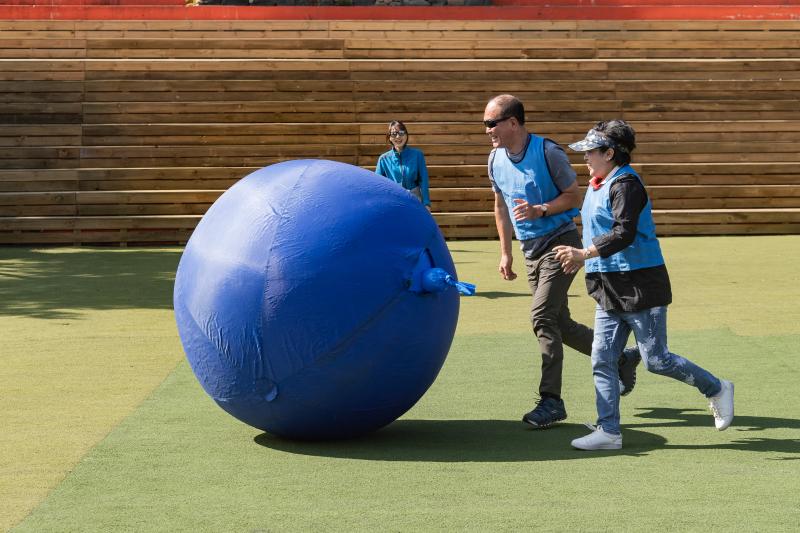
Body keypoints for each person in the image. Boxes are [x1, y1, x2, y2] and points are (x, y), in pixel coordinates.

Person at [554, 119, 734, 450]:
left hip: (640, 286)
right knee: (602, 359)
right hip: (607, 288)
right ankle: (609, 431)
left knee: (658, 361)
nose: (586, 157)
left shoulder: (626, 185)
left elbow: (624, 232)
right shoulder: (597, 183)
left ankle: (717, 389)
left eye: (591, 151)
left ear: (609, 153)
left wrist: (583, 253)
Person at [484, 94, 639, 429]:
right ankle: (621, 360)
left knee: (541, 316)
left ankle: (551, 401)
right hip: (529, 251)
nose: (488, 130)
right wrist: (506, 251)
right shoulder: (494, 158)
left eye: (492, 123)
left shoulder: (547, 152)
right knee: (560, 323)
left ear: (513, 122)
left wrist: (541, 209)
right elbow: (500, 205)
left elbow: (574, 195)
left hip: (560, 242)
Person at [375, 120, 431, 210]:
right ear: (389, 137)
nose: (398, 136)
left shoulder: (417, 155)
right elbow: (377, 184)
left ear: (406, 135)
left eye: (401, 133)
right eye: (394, 134)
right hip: (393, 201)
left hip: (415, 200)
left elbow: (423, 180)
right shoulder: (383, 159)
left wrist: (426, 203)